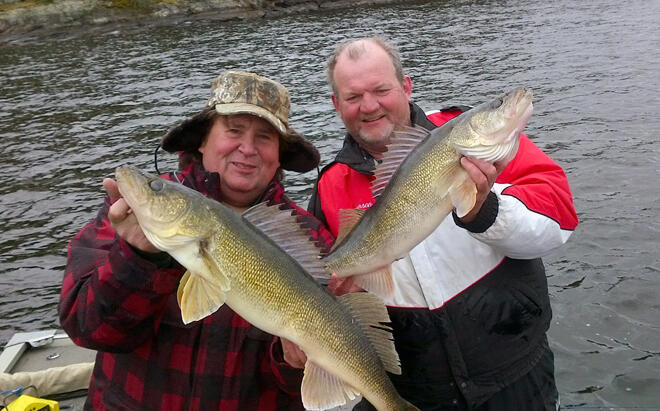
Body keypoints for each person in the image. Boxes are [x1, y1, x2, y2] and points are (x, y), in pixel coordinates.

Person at [308, 37, 579, 410]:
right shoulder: (329, 186)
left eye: (381, 90)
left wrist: (484, 213)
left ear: (406, 86)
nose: (369, 106)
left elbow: (558, 224)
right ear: (337, 105)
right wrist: (338, 296)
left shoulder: (479, 141)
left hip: (516, 376)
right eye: (353, 97)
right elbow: (324, 290)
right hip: (415, 393)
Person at [59, 70, 334, 410]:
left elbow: (296, 391)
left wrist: (293, 361)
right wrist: (137, 257)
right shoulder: (132, 213)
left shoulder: (309, 240)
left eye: (264, 137)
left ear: (280, 155)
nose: (247, 148)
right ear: (202, 141)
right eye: (233, 131)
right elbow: (89, 331)